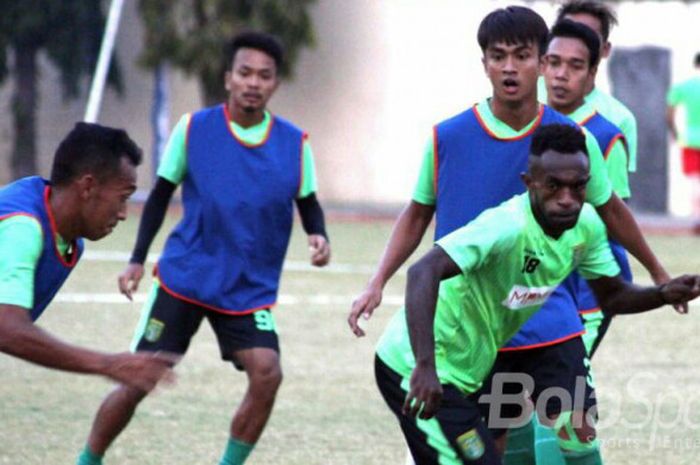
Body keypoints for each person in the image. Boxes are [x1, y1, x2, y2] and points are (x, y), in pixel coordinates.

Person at [348, 6, 669, 465]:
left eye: (522, 55)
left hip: (548, 312)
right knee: (491, 445)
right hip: (476, 326)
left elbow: (612, 210)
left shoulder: (571, 141)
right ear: (484, 64)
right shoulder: (449, 137)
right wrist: (376, 282)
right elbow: (417, 213)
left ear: (541, 61)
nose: (509, 67)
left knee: (578, 429)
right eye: (498, 56)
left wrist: (658, 273)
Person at [374, 123, 700, 465]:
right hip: (412, 366)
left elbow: (613, 297)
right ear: (530, 183)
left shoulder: (586, 226)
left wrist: (663, 293)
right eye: (554, 186)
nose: (566, 199)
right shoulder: (507, 227)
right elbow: (422, 272)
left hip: (462, 373)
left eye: (578, 188)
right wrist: (425, 366)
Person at [76, 31, 331, 465]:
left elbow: (307, 199)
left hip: (248, 289)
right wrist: (137, 259)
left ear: (275, 84)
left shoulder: (294, 143)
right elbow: (159, 195)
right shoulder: (194, 129)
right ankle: (88, 460)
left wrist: (318, 233)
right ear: (228, 77)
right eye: (245, 72)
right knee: (139, 378)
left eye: (264, 76)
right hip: (186, 279)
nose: (253, 82)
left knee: (267, 373)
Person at [0, 122, 174, 393]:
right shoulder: (23, 228)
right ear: (88, 187)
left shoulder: (69, 239)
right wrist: (108, 364)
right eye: (123, 197)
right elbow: (6, 328)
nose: (123, 213)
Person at [555, 0, 639, 176]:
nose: (575, 45)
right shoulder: (526, 98)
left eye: (587, 37)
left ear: (605, 49)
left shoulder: (620, 119)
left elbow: (616, 195)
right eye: (569, 33)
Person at [666, 52, 700, 216]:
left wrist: (675, 133)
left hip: (690, 138)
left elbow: (670, 114)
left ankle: (695, 213)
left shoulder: (684, 86)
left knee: (694, 179)